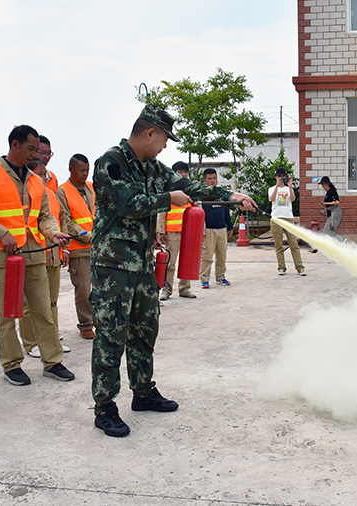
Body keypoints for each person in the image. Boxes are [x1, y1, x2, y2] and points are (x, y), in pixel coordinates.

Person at [90, 104, 257, 437]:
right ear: (150, 133)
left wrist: (230, 195)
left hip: (142, 264)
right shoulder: (111, 162)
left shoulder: (153, 167)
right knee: (111, 336)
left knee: (145, 329)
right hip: (113, 267)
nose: (166, 145)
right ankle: (105, 407)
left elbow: (188, 187)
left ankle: (143, 392)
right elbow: (128, 203)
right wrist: (169, 199)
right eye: (165, 138)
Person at [0, 124, 75, 386]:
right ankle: (11, 364)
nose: (35, 155)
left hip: (35, 252)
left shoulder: (36, 181)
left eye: (38, 150)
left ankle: (53, 361)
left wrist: (53, 234)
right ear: (15, 145)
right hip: (2, 257)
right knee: (7, 313)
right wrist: (1, 232)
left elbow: (45, 217)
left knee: (43, 310)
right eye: (31, 149)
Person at [19, 158, 71, 358]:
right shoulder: (22, 196)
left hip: (53, 253)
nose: (45, 177)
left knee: (51, 300)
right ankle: (31, 342)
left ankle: (51, 339)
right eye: (40, 174)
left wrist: (65, 249)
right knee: (28, 303)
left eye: (45, 174)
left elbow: (61, 220)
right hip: (34, 254)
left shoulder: (50, 195)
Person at [56, 153, 96, 339]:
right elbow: (67, 221)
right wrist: (88, 237)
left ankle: (100, 321)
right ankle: (86, 324)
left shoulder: (92, 188)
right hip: (79, 249)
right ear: (71, 169)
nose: (85, 173)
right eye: (82, 170)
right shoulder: (62, 191)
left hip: (98, 248)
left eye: (87, 170)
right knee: (83, 289)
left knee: (101, 288)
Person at [156, 161, 195, 300]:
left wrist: (200, 231)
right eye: (180, 172)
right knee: (170, 263)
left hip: (189, 232)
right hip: (172, 232)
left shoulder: (191, 191)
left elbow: (198, 210)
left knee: (187, 261)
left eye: (185, 172)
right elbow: (161, 213)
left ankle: (185, 288)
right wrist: (160, 232)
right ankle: (166, 290)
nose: (183, 174)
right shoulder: (169, 191)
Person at [199, 168, 233, 289]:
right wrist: (201, 229)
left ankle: (220, 277)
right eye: (210, 179)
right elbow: (200, 213)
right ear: (205, 180)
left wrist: (230, 226)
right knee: (207, 256)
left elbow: (226, 210)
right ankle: (204, 279)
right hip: (208, 230)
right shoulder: (203, 195)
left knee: (222, 256)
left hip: (222, 229)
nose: (212, 181)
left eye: (214, 178)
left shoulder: (221, 193)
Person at [269, 168, 305, 276]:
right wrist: (277, 186)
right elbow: (272, 199)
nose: (281, 178)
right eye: (279, 176)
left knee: (294, 244)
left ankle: (300, 267)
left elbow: (293, 199)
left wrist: (290, 187)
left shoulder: (288, 188)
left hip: (288, 217)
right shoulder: (271, 188)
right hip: (276, 218)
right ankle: (281, 267)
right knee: (278, 245)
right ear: (275, 177)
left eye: (283, 176)